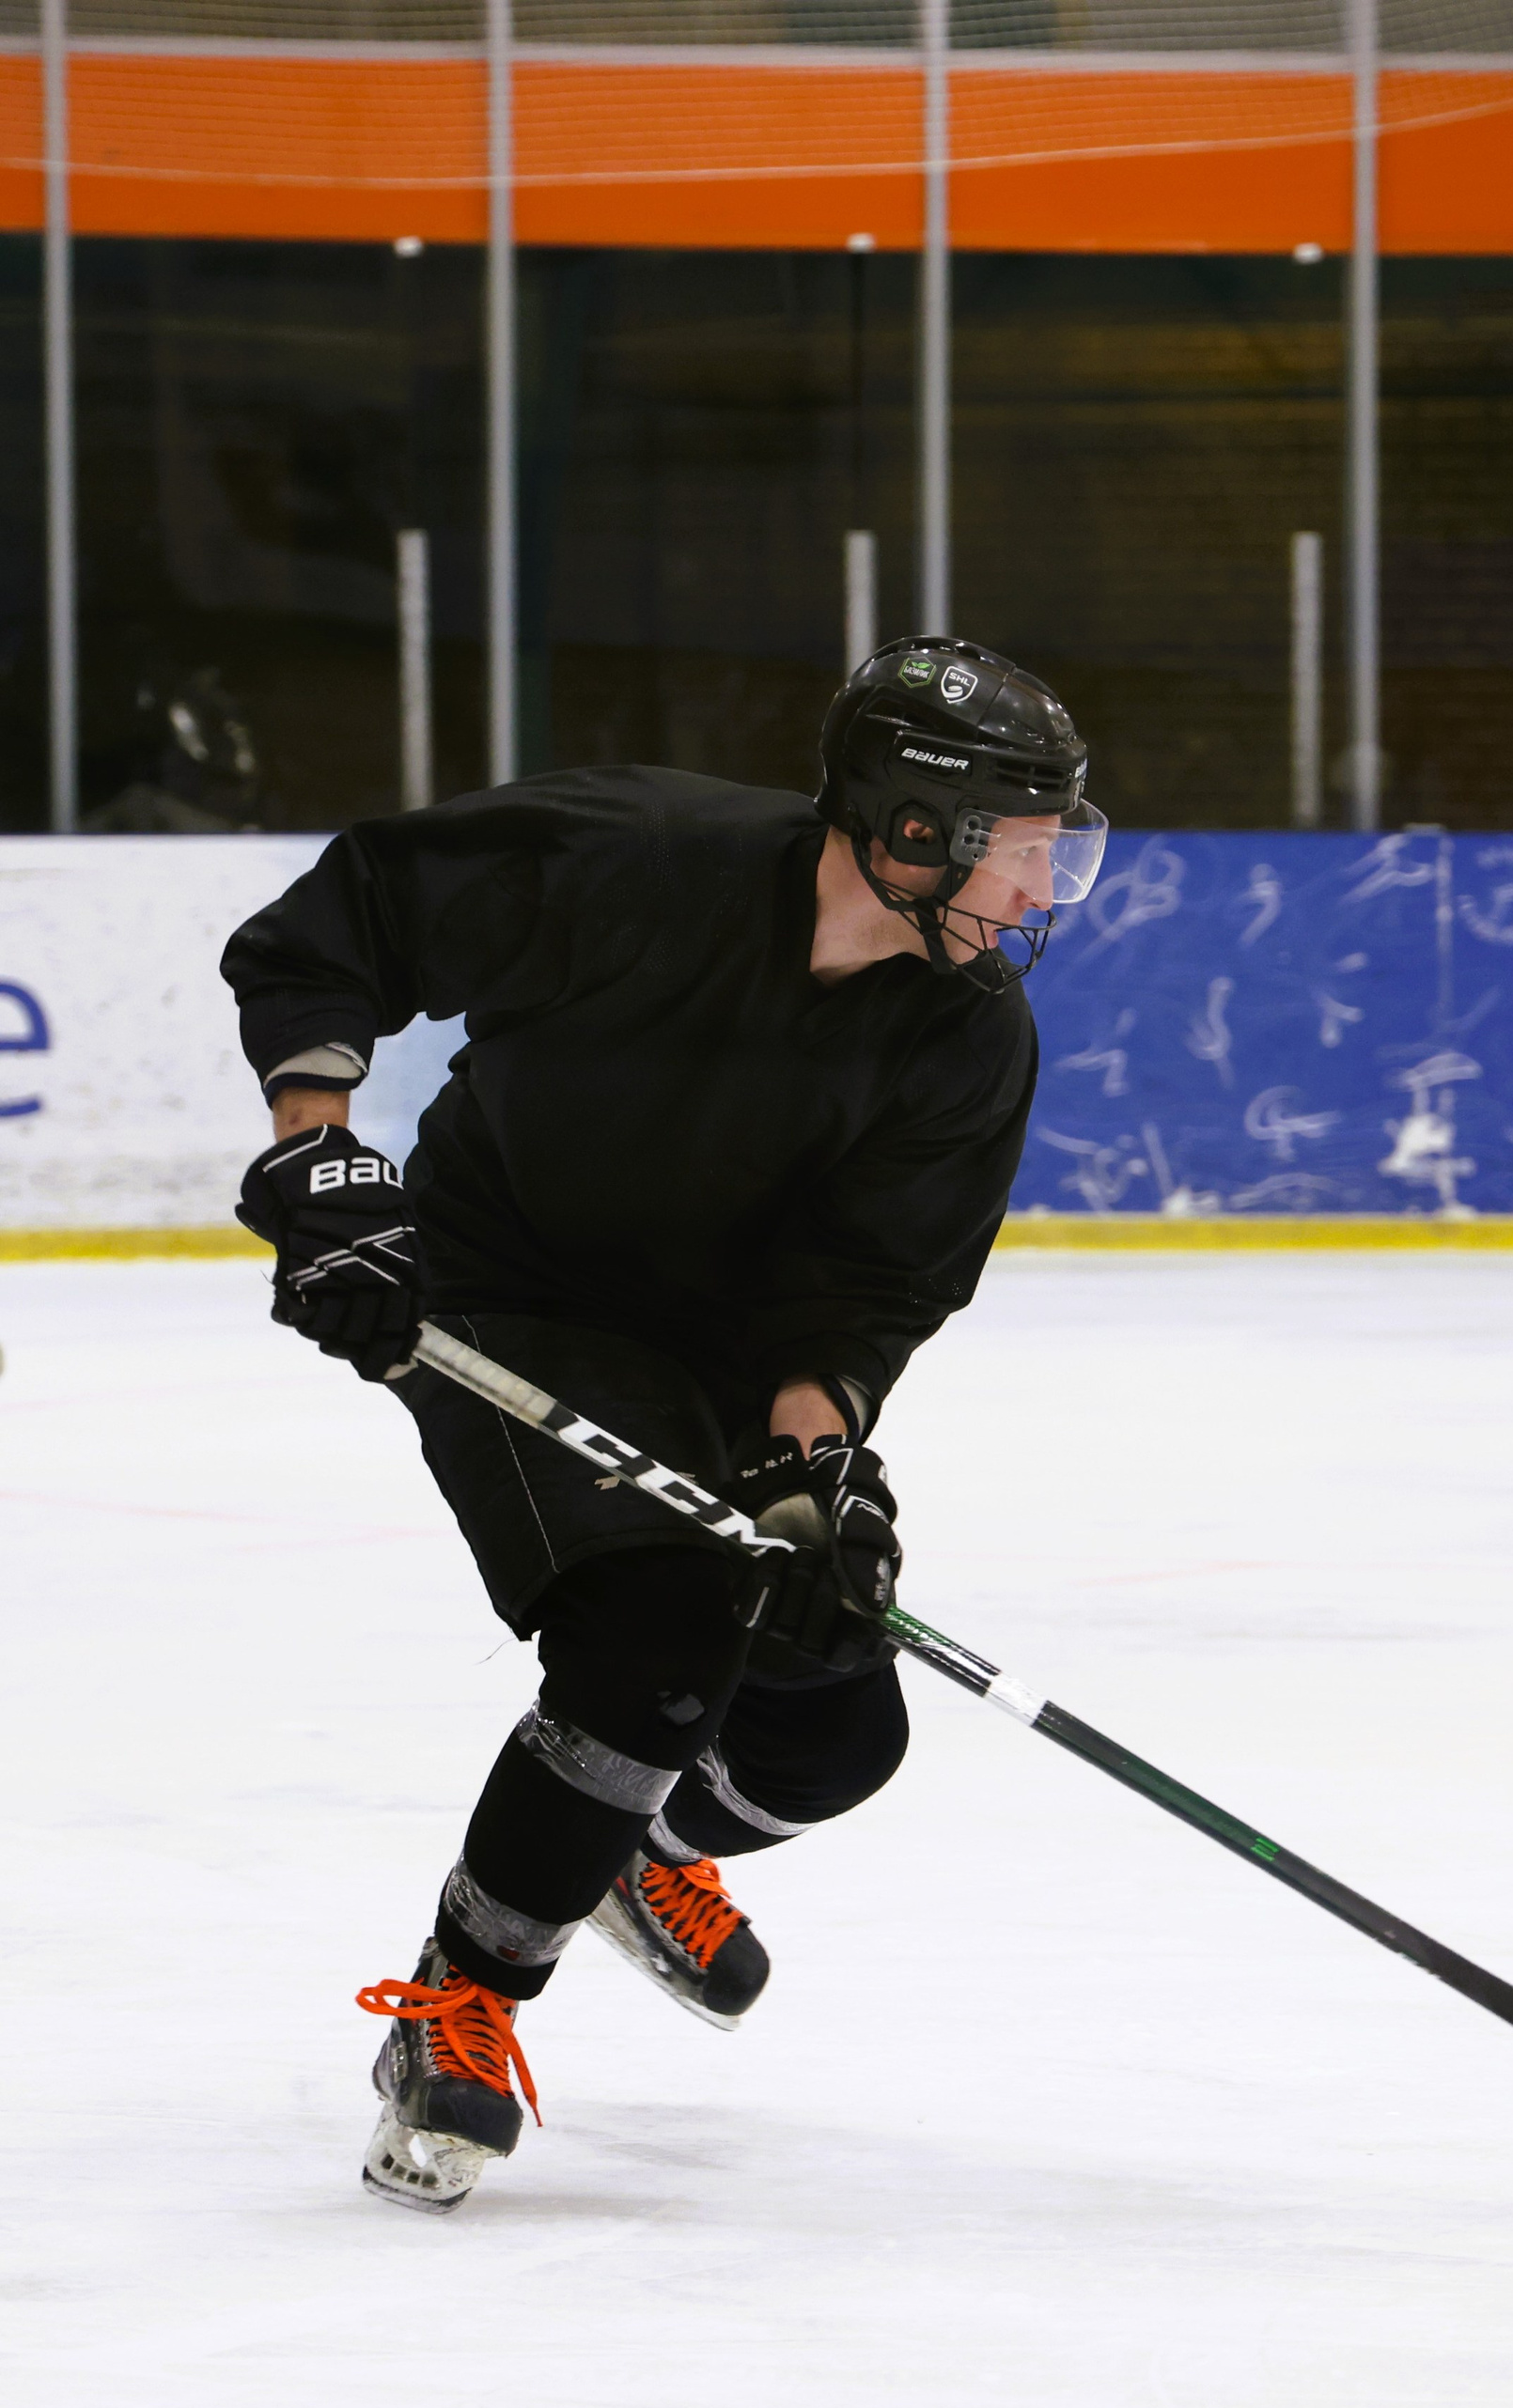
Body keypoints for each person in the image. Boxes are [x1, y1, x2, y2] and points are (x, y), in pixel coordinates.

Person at [222, 637, 1106, 2211]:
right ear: (911, 831)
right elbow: (348, 919)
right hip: (508, 1288)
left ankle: (631, 1843)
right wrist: (323, 1160)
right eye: (1021, 851)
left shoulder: (970, 1033)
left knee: (835, 1724)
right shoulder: (636, 858)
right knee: (656, 1634)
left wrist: (813, 1465)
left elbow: (865, 1293)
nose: (1044, 892)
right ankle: (461, 1998)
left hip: (727, 1344)